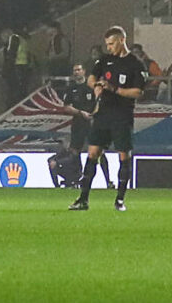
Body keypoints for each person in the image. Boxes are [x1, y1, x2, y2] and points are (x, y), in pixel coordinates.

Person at [71, 26, 147, 213]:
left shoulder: (135, 64)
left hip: (122, 116)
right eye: (107, 44)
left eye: (112, 44)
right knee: (92, 154)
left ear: (122, 40)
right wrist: (96, 85)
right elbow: (91, 78)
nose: (109, 47)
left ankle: (119, 200)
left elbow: (138, 92)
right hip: (103, 114)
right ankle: (83, 199)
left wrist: (115, 90)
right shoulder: (105, 60)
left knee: (123, 156)